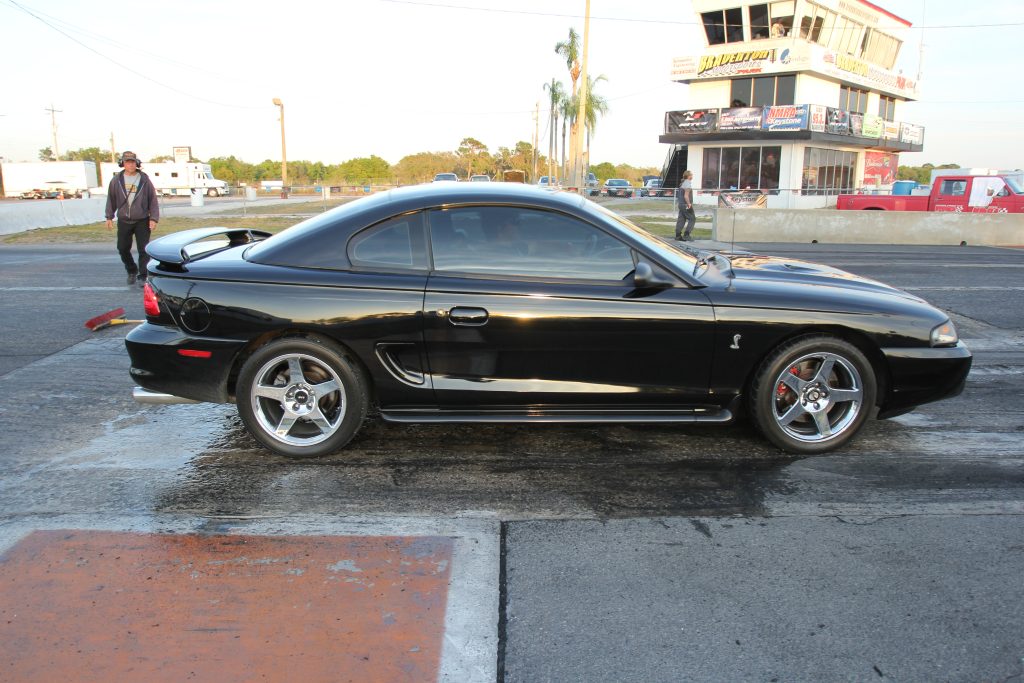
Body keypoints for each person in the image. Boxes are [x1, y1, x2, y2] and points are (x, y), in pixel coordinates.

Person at [105, 151, 159, 286]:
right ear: (122, 163)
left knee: (143, 249)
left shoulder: (145, 180)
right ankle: (131, 270)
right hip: (124, 220)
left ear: (137, 163)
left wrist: (153, 218)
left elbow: (152, 199)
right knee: (122, 248)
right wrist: (109, 216)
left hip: (142, 220)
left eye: (133, 162)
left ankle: (143, 275)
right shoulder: (116, 180)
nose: (130, 164)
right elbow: (111, 199)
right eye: (127, 162)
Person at [675, 170, 696, 241]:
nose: (692, 176)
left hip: (680, 204)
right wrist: (689, 204)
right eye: (691, 175)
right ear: (688, 176)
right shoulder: (687, 183)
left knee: (682, 219)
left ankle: (678, 235)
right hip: (686, 204)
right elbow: (686, 196)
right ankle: (687, 235)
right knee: (692, 218)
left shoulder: (682, 183)